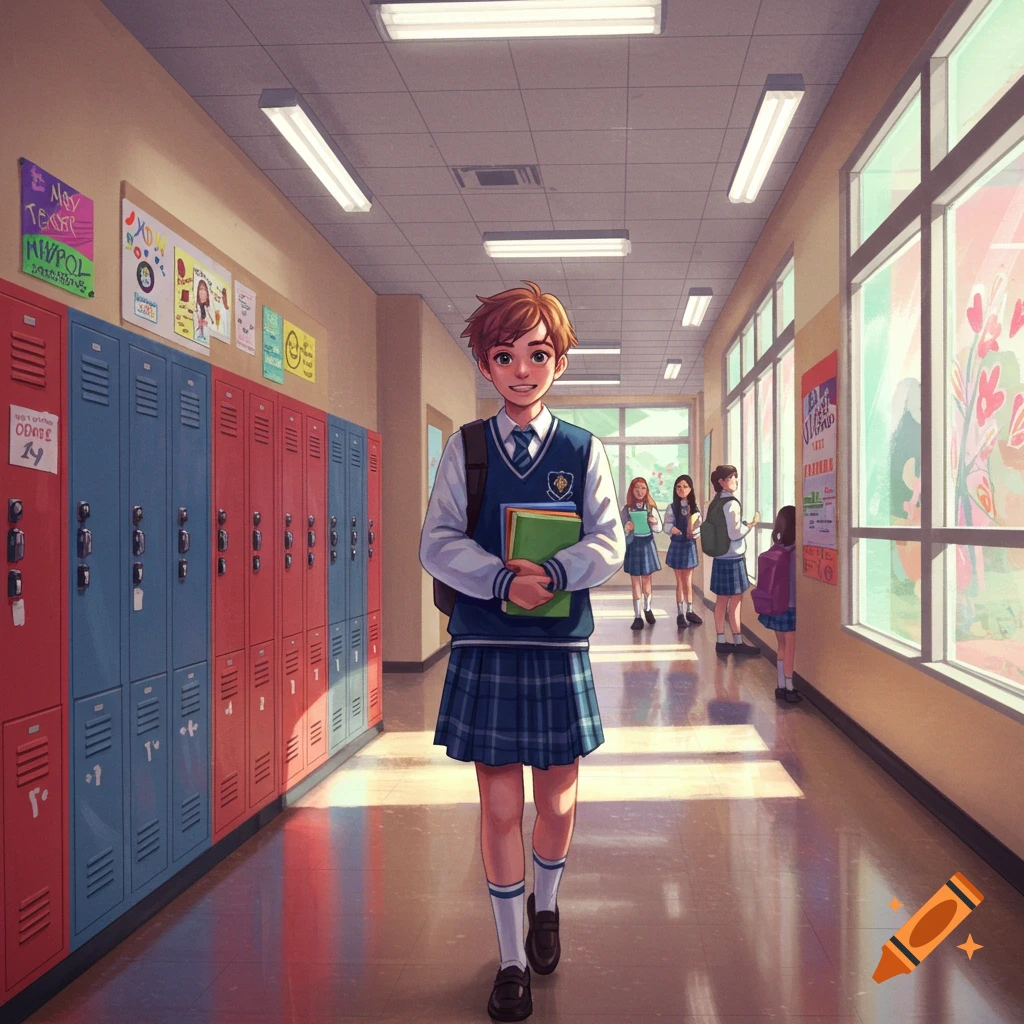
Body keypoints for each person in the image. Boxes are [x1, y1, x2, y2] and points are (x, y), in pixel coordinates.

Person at [420, 282, 625, 1022]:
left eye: (537, 355)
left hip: (557, 645)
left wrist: (559, 573)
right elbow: (436, 541)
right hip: (488, 641)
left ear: (559, 362)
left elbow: (610, 540)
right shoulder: (466, 448)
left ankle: (548, 902)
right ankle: (511, 961)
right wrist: (503, 578)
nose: (521, 370)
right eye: (504, 356)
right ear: (486, 364)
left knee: (557, 802)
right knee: (500, 804)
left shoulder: (584, 449)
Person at [707, 465, 760, 656]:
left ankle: (721, 640)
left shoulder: (715, 503)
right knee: (736, 601)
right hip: (733, 557)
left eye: (735, 476)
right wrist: (750, 525)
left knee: (721, 600)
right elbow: (735, 533)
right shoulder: (732, 504)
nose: (735, 480)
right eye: (731, 477)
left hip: (720, 557)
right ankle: (738, 642)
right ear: (721, 482)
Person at [757, 505, 801, 703]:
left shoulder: (776, 549)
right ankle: (789, 688)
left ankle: (780, 685)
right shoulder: (795, 553)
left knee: (781, 646)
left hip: (775, 605)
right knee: (790, 647)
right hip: (790, 606)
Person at [621, 477, 663, 630]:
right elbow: (620, 531)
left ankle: (648, 609)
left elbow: (659, 529)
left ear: (647, 491)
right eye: (637, 488)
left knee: (647, 580)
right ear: (632, 490)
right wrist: (627, 528)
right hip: (633, 545)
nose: (639, 491)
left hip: (647, 544)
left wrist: (654, 522)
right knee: (635, 581)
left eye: (643, 488)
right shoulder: (626, 509)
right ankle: (637, 615)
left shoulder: (651, 507)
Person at [663, 474, 702, 629]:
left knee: (688, 580)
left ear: (690, 489)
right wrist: (673, 529)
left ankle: (690, 611)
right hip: (677, 544)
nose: (681, 489)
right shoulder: (672, 507)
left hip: (689, 545)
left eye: (685, 486)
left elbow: (699, 526)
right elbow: (667, 525)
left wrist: (694, 532)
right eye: (678, 486)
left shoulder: (695, 508)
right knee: (680, 581)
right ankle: (680, 613)